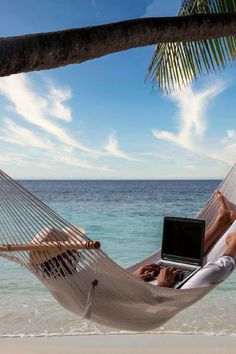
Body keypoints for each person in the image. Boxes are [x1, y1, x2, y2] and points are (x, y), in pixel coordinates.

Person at [133, 191, 236, 288]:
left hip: (137, 290)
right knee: (212, 272)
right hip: (159, 298)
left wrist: (132, 278)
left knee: (185, 256)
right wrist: (163, 284)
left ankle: (223, 219)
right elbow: (156, 305)